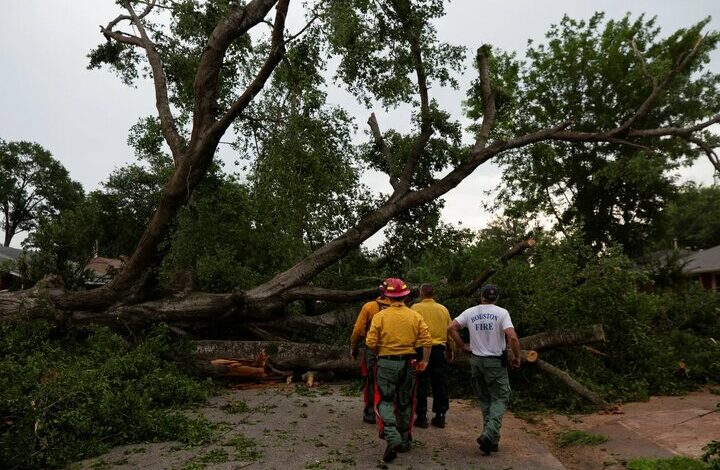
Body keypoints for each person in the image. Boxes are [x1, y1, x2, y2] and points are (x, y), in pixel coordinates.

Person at [447, 284, 521, 455]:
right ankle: (489, 433)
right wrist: (516, 357)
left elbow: (451, 328)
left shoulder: (470, 312)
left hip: (476, 362)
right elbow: (512, 337)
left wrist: (462, 346)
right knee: (501, 397)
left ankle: (492, 441)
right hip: (495, 362)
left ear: (481, 296)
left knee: (486, 400)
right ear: (496, 298)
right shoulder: (502, 313)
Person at [366, 277, 432, 463]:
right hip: (410, 363)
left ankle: (391, 434)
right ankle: (403, 441)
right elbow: (427, 341)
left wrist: (382, 352)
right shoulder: (415, 316)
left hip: (386, 363)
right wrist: (424, 362)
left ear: (387, 296)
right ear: (405, 296)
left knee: (386, 401)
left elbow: (370, 342)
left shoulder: (380, 316)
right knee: (405, 402)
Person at [411, 283, 454, 428]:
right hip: (438, 350)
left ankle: (421, 416)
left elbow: (410, 329)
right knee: (439, 382)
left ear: (421, 294)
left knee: (421, 382)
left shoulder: (415, 308)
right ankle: (440, 415)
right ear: (433, 294)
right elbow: (450, 331)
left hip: (420, 350)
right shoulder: (443, 309)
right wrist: (450, 349)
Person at [350, 282, 392, 424]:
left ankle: (370, 413)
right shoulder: (404, 310)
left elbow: (358, 330)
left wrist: (353, 346)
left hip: (372, 350)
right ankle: (389, 413)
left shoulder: (369, 307)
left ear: (381, 292)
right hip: (394, 351)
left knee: (371, 380)